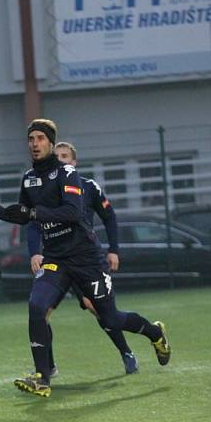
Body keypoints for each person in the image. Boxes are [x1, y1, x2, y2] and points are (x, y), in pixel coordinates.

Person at [0, 119, 170, 398]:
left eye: (39, 138)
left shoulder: (68, 173)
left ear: (50, 142)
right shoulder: (29, 178)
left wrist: (36, 215)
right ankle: (42, 376)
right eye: (30, 139)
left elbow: (73, 212)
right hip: (56, 259)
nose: (34, 143)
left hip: (86, 258)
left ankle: (154, 333)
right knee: (37, 306)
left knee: (110, 318)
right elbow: (23, 214)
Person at [28, 142, 138, 375]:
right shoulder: (43, 189)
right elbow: (34, 222)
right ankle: (48, 368)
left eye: (65, 156)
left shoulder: (88, 186)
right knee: (42, 311)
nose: (61, 160)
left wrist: (113, 250)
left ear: (74, 162)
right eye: (57, 156)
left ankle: (126, 351)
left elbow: (109, 216)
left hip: (83, 258)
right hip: (56, 260)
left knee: (97, 309)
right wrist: (35, 251)